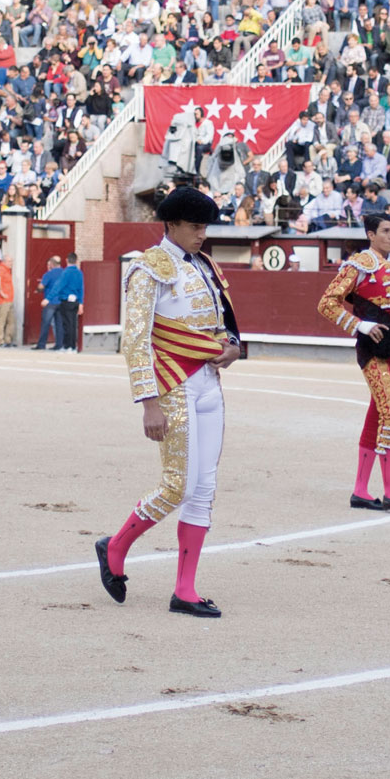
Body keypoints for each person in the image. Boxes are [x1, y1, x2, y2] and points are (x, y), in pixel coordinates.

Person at [94, 186, 245, 619]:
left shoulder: (206, 266)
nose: (202, 234)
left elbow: (223, 325)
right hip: (173, 383)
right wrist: (149, 402)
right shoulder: (148, 269)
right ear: (172, 225)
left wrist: (232, 347)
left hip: (209, 382)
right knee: (178, 484)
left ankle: (185, 590)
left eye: (205, 226)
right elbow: (136, 342)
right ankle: (116, 545)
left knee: (204, 489)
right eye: (195, 227)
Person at [316, 213, 390, 512]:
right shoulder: (360, 264)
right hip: (372, 348)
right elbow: (326, 302)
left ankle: (360, 491)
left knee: (377, 413)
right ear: (371, 235)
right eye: (386, 231)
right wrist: (360, 325)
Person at [0, 253, 17, 347]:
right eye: (10, 261)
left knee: (11, 321)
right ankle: (0, 341)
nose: (11, 263)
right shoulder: (1, 269)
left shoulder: (7, 269)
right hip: (3, 300)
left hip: (9, 299)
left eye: (12, 261)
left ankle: (8, 340)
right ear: (4, 261)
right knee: (2, 321)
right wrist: (2, 293)